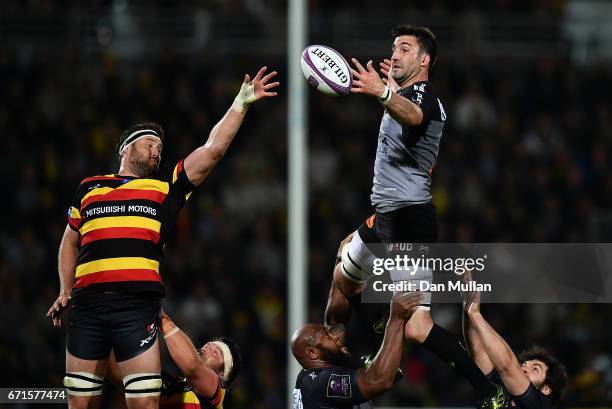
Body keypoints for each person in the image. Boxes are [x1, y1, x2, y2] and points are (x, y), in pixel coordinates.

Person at [46, 67, 279, 409]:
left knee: (144, 405)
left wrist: (240, 103)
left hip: (137, 308)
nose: (158, 150)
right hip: (87, 307)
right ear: (127, 149)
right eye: (151, 143)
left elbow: (212, 150)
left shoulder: (165, 189)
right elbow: (69, 241)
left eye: (160, 146)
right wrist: (65, 289)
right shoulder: (89, 187)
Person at [330, 24, 500, 403]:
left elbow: (414, 117)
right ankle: (378, 328)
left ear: (425, 60)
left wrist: (383, 91)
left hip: (410, 219)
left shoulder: (421, 95)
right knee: (345, 269)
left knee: (419, 326)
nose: (395, 53)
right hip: (386, 216)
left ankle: (487, 389)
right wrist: (386, 92)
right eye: (394, 47)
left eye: (404, 48)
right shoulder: (399, 95)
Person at [292, 291, 422, 409]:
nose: (335, 336)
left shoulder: (310, 377)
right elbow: (379, 380)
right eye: (326, 335)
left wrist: (343, 275)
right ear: (312, 353)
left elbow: (335, 321)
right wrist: (396, 319)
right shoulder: (322, 383)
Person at [462, 272, 567, 409]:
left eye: (535, 369)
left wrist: (475, 315)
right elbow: (477, 351)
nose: (524, 369)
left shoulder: (541, 405)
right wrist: (468, 304)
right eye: (524, 364)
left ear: (546, 388)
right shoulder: (500, 390)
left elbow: (507, 366)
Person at [107, 311, 242, 409]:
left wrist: (160, 316)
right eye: (210, 343)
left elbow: (192, 366)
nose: (209, 345)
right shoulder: (171, 384)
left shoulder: (222, 394)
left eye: (216, 352)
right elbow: (121, 376)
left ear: (221, 375)